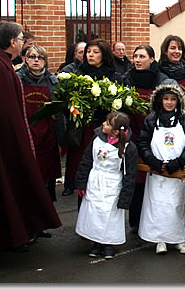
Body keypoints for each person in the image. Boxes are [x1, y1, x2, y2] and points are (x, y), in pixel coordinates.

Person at [0, 21, 61, 256]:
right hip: (2, 144)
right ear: (11, 42)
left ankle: (17, 233)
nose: (22, 42)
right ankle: (1, 240)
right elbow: (3, 113)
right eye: (20, 39)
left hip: (6, 140)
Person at [137, 84, 185, 254]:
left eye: (173, 99)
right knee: (156, 204)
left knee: (176, 204)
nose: (169, 102)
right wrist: (153, 162)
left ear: (179, 101)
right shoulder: (151, 119)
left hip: (178, 170)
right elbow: (143, 143)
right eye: (166, 99)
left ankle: (178, 239)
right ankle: (160, 239)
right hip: (157, 170)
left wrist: (179, 162)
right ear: (160, 100)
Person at [122, 45, 178, 232]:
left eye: (142, 56)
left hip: (156, 136)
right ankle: (135, 221)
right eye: (135, 56)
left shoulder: (163, 81)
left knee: (153, 179)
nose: (137, 60)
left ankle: (155, 221)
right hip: (133, 134)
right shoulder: (126, 79)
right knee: (136, 179)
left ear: (152, 59)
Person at [75, 111, 137, 259]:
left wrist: (125, 198)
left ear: (116, 131)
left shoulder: (129, 148)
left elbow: (130, 175)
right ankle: (96, 242)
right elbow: (86, 161)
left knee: (110, 214)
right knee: (94, 212)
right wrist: (81, 183)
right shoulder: (97, 138)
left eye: (107, 123)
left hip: (113, 185)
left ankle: (109, 244)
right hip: (95, 181)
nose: (103, 124)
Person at [63, 39, 118, 198]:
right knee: (83, 165)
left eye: (95, 52)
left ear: (104, 54)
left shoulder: (114, 76)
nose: (90, 55)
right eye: (88, 52)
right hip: (84, 128)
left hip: (105, 127)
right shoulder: (79, 75)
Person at [16, 46, 63, 222]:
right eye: (32, 56)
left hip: (47, 138)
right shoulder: (18, 79)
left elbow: (58, 113)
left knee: (46, 182)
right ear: (25, 59)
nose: (36, 60)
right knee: (28, 181)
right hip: (27, 135)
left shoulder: (52, 81)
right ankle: (28, 221)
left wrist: (61, 137)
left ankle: (42, 221)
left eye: (40, 57)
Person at [158, 35, 185, 133]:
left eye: (180, 49)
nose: (177, 51)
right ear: (165, 51)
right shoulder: (158, 71)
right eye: (173, 48)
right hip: (162, 124)